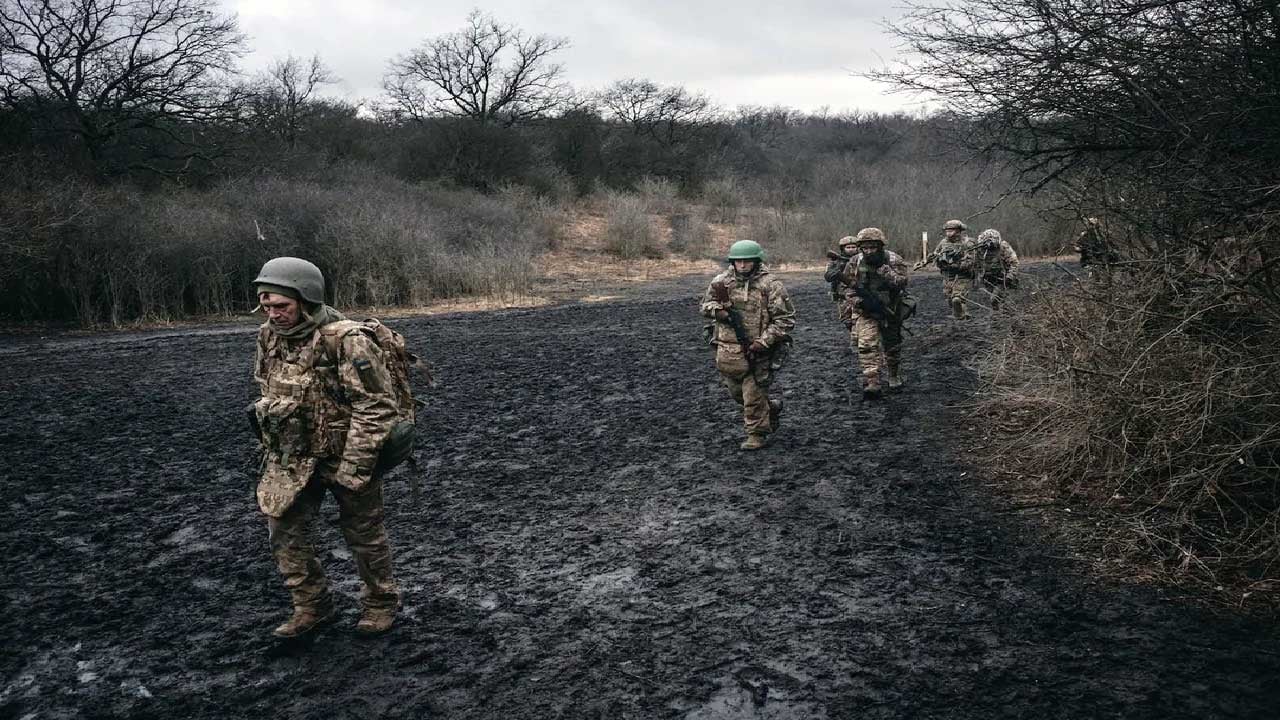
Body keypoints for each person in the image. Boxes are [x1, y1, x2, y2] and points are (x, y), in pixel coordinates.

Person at [251, 257, 401, 638]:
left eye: (281, 306)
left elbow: (376, 406)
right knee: (283, 531)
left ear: (307, 299)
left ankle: (380, 604)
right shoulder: (268, 336)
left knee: (364, 534)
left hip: (346, 453)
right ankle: (311, 607)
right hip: (292, 455)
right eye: (266, 306)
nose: (273, 314)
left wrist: (356, 465)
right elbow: (267, 387)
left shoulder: (346, 339)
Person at [701, 240, 796, 450]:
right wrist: (719, 312)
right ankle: (770, 408)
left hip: (759, 351)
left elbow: (785, 319)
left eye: (747, 261)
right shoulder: (721, 282)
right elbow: (705, 306)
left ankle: (756, 434)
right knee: (737, 394)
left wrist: (764, 342)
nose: (742, 265)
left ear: (756, 261)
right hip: (728, 350)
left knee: (753, 396)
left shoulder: (771, 285)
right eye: (738, 261)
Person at [838, 228, 910, 398]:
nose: (869, 251)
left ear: (880, 246)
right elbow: (845, 288)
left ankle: (893, 374)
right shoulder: (855, 261)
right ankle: (872, 380)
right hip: (864, 311)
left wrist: (886, 272)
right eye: (865, 248)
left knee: (892, 346)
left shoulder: (893, 259)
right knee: (866, 345)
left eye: (873, 247)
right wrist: (857, 301)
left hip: (890, 309)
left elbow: (903, 283)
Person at [929, 219, 976, 319]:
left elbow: (971, 261)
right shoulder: (943, 243)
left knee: (957, 299)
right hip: (948, 276)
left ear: (958, 231)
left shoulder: (967, 243)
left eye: (952, 230)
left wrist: (956, 265)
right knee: (950, 300)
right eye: (947, 230)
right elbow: (936, 254)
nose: (949, 233)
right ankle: (964, 315)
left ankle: (960, 321)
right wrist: (934, 258)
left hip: (962, 276)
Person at [973, 229, 1019, 311]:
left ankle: (1001, 313)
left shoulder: (1003, 247)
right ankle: (1002, 313)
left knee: (994, 299)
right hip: (988, 279)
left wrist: (1009, 277)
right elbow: (976, 263)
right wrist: (977, 277)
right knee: (997, 299)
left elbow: (1014, 263)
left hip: (1002, 278)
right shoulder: (980, 249)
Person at [824, 235, 860, 327]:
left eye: (853, 247)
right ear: (843, 248)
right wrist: (839, 268)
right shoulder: (836, 262)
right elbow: (828, 277)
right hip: (843, 296)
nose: (851, 249)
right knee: (847, 322)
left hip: (859, 293)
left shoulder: (862, 259)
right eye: (848, 247)